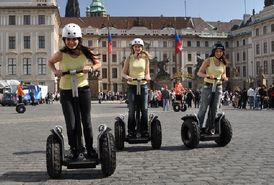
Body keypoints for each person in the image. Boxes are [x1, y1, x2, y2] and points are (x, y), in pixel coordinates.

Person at [48, 23, 101, 159]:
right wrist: (56, 71)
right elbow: (50, 62)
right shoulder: (61, 53)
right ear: (65, 40)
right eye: (68, 39)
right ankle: (74, 149)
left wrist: (91, 68)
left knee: (86, 121)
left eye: (74, 39)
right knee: (71, 124)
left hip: (83, 89)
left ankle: (89, 149)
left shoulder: (85, 51)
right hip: (66, 91)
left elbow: (98, 63)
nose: (71, 42)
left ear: (79, 39)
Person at [122, 38, 151, 138]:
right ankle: (131, 130)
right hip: (132, 85)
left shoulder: (146, 59)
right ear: (133, 48)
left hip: (143, 85)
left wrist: (147, 77)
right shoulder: (129, 58)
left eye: (139, 46)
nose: (137, 48)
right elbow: (123, 73)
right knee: (131, 109)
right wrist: (128, 77)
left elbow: (147, 73)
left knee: (144, 109)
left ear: (142, 48)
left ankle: (144, 130)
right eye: (135, 46)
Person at [197, 43, 228, 131]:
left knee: (215, 108)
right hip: (208, 86)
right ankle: (198, 128)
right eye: (217, 51)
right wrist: (207, 75)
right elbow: (199, 73)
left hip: (218, 87)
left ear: (222, 52)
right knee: (204, 107)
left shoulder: (223, 62)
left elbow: (224, 73)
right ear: (214, 52)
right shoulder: (208, 61)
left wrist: (224, 77)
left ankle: (210, 127)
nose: (218, 53)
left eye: (220, 51)